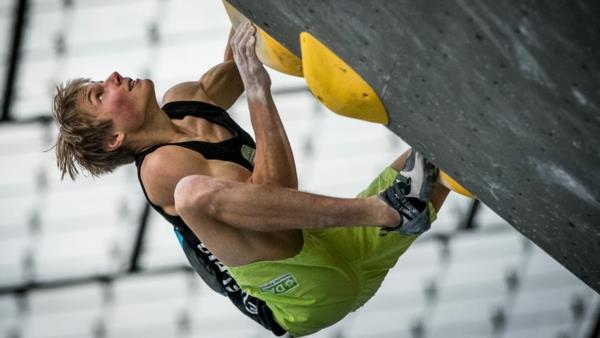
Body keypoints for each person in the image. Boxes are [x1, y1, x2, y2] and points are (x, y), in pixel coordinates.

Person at [52, 21, 449, 337]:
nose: (113, 76)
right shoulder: (159, 169)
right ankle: (384, 211)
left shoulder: (189, 97)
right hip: (300, 293)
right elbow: (278, 198)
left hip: (335, 248)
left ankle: (395, 209)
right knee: (191, 194)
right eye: (100, 95)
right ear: (114, 139)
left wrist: (245, 30)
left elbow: (245, 43)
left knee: (446, 155)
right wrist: (259, 92)